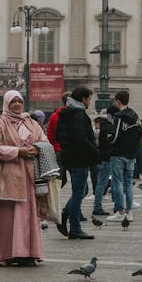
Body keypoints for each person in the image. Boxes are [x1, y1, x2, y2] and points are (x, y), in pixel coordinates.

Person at [0, 90, 44, 266]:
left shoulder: (31, 123)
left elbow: (44, 142)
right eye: (13, 102)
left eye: (19, 101)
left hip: (30, 177)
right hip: (8, 177)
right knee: (8, 217)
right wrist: (18, 151)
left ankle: (28, 254)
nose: (17, 104)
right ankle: (7, 254)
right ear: (6, 104)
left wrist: (37, 149)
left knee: (29, 217)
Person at [55, 86, 98, 241]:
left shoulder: (65, 113)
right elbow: (82, 138)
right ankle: (75, 228)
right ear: (83, 99)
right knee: (79, 193)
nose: (90, 102)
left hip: (70, 157)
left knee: (82, 190)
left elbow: (59, 135)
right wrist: (94, 150)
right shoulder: (79, 114)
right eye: (89, 98)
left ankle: (65, 213)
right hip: (80, 158)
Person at [107, 90, 142, 221]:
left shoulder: (118, 116)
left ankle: (120, 212)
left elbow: (115, 136)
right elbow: (140, 133)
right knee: (128, 183)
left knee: (117, 183)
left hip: (118, 153)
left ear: (118, 101)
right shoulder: (134, 115)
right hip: (131, 154)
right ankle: (130, 212)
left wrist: (109, 139)